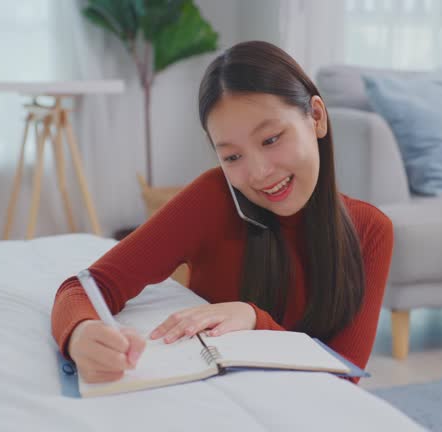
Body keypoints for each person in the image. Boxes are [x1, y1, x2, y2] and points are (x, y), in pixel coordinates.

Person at [50, 40, 394, 385]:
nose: (258, 173)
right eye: (232, 157)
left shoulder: (370, 230)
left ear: (316, 117)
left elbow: (343, 382)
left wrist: (254, 321)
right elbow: (86, 288)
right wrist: (81, 334)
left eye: (271, 139)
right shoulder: (212, 198)